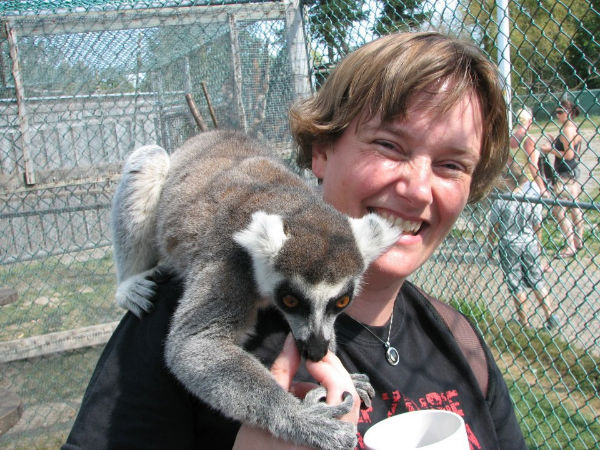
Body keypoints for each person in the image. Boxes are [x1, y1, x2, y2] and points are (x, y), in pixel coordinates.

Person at [63, 32, 527, 450]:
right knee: (148, 164)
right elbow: (194, 349)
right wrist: (285, 416)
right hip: (194, 207)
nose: (418, 190)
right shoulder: (189, 295)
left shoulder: (460, 343)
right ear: (321, 151)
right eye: (389, 145)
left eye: (452, 164)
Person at [487, 161, 559, 329]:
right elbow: (537, 225)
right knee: (537, 280)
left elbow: (494, 227)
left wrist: (490, 247)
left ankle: (524, 321)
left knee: (515, 283)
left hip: (508, 244)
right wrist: (538, 245)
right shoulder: (530, 198)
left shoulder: (502, 199)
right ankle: (550, 315)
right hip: (529, 242)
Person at [541, 99, 584, 257]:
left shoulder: (567, 130)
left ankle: (570, 245)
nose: (558, 115)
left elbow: (569, 154)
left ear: (569, 112)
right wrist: (555, 142)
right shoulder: (573, 127)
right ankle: (578, 241)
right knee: (575, 207)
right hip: (572, 172)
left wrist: (550, 150)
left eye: (560, 112)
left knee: (559, 210)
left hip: (565, 174)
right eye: (557, 112)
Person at [510, 107, 548, 195]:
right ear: (530, 121)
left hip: (516, 182)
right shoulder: (528, 139)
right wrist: (542, 188)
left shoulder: (510, 139)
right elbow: (532, 166)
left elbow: (510, 163)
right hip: (529, 182)